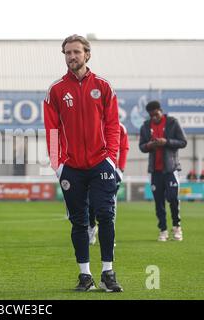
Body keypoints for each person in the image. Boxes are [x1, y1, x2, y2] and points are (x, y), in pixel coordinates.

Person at [44, 34, 122, 292]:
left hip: (101, 164)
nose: (72, 56)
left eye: (76, 52)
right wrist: (58, 164)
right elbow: (51, 130)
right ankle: (85, 276)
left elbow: (112, 125)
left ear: (87, 54)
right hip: (72, 167)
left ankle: (108, 273)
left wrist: (111, 158)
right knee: (79, 222)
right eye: (67, 52)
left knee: (105, 216)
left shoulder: (104, 86)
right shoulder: (55, 90)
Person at [139, 100, 187, 241]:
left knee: (172, 198)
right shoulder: (146, 126)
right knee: (158, 202)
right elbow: (141, 146)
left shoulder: (172, 122)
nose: (154, 117)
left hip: (171, 169)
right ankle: (163, 230)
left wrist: (166, 142)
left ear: (160, 110)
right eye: (151, 115)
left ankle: (177, 227)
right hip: (155, 170)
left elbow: (183, 142)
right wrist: (149, 145)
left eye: (156, 114)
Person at [88, 122, 129, 245]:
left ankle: (110, 235)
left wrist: (120, 169)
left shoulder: (120, 127)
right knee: (90, 203)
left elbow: (124, 148)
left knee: (110, 205)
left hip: (111, 171)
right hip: (91, 169)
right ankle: (91, 228)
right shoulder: (92, 124)